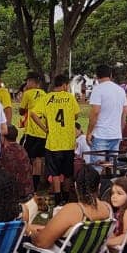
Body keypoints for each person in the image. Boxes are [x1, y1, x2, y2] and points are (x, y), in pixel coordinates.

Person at [40, 72, 80, 201]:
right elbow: (76, 115)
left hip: (53, 142)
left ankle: (57, 198)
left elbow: (34, 114)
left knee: (55, 173)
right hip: (68, 142)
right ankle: (66, 197)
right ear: (64, 85)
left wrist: (45, 128)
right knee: (68, 173)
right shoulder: (70, 97)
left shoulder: (48, 97)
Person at [85, 63, 127, 167]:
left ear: (97, 76)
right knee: (112, 168)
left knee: (97, 168)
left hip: (100, 135)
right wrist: (120, 129)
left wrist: (89, 133)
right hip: (116, 135)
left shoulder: (98, 89)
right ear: (111, 75)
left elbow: (95, 112)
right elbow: (125, 112)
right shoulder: (120, 90)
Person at [18, 72, 49, 186]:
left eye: (28, 81)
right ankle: (36, 185)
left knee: (25, 156)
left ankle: (26, 182)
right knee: (39, 159)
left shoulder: (28, 93)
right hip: (43, 131)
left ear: (32, 82)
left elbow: (21, 111)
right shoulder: (45, 94)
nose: (26, 83)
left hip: (31, 131)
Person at [0, 124, 34, 199]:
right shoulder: (21, 149)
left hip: (14, 194)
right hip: (27, 191)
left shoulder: (5, 152)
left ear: (3, 137)